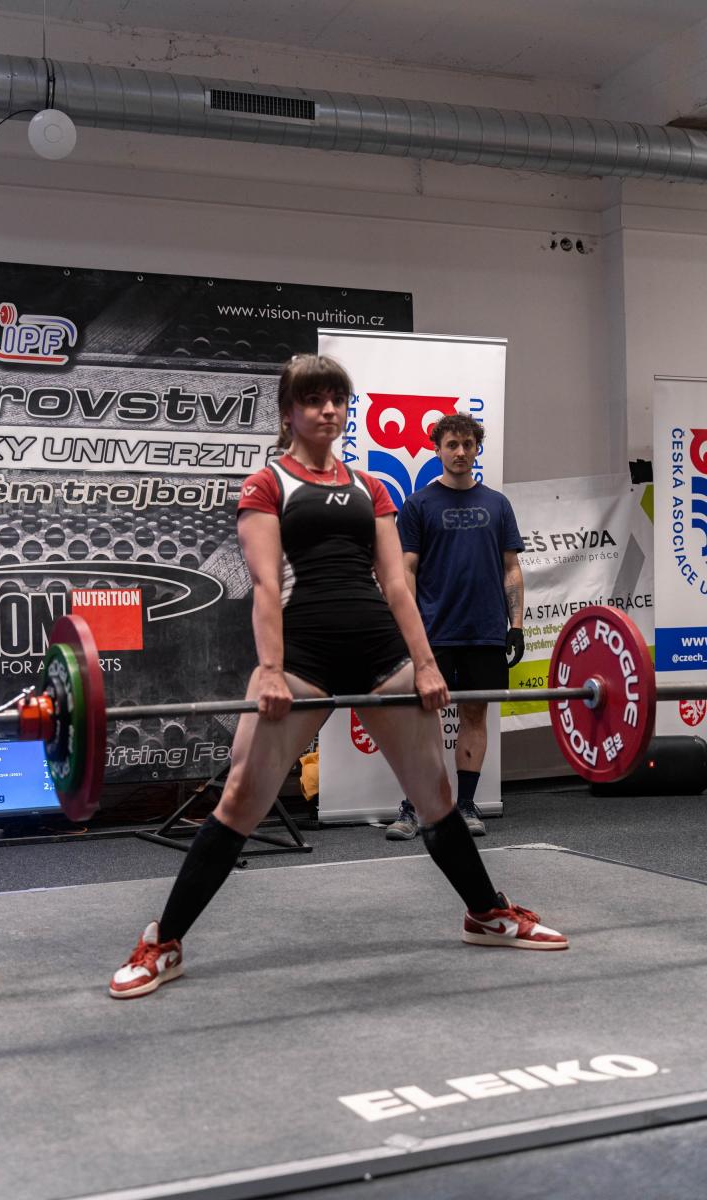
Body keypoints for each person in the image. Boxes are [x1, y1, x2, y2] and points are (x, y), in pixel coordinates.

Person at [109, 356, 566, 999]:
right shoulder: (266, 484)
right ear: (288, 412)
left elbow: (396, 584)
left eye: (338, 400)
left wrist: (426, 664)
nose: (329, 410)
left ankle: (486, 914)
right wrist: (270, 671)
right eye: (314, 400)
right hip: (302, 655)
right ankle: (164, 942)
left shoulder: (370, 487)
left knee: (435, 796)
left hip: (379, 649)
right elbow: (265, 586)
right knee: (241, 799)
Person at [385, 413, 525, 842]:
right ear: (438, 449)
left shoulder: (497, 504)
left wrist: (516, 625)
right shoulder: (419, 505)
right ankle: (416, 807)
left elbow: (511, 568)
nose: (461, 452)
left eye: (468, 444)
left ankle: (465, 806)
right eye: (452, 445)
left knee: (474, 714)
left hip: (484, 630)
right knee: (421, 720)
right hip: (433, 632)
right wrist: (407, 627)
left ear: (477, 449)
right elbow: (406, 569)